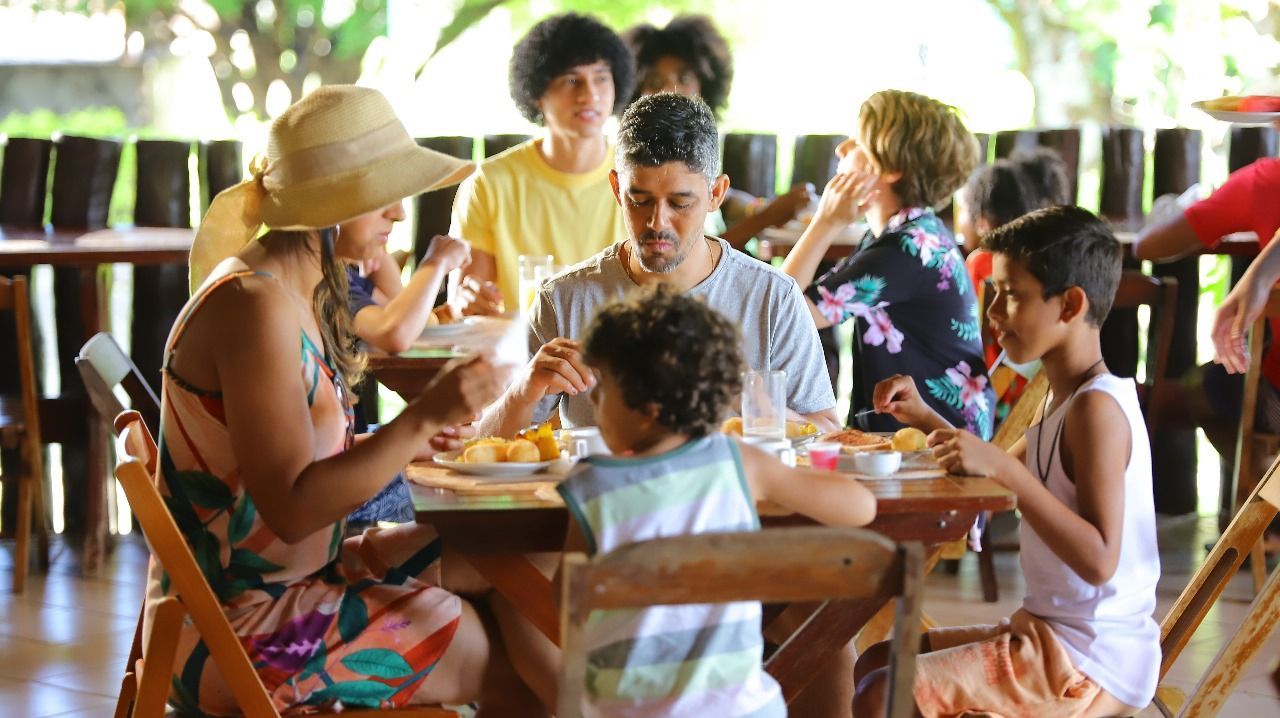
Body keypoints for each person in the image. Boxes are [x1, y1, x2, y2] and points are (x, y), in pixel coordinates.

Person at [153, 86, 548, 715]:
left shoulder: (286, 290)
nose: (397, 213)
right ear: (330, 206)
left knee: (517, 564)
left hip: (304, 580)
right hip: (237, 628)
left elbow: (286, 468)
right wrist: (423, 416)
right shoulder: (254, 307)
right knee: (501, 652)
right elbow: (290, 508)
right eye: (380, 196)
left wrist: (408, 440)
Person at [856, 206, 1159, 718]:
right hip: (1048, 633)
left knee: (880, 693)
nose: (992, 312)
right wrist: (926, 416)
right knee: (876, 662)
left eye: (1010, 295)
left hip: (1089, 662)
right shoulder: (1059, 397)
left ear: (1070, 305)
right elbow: (994, 467)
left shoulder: (1096, 410)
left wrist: (1006, 473)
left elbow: (1101, 558)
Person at [556, 284, 877, 717]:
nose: (592, 401)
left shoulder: (591, 485)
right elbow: (862, 509)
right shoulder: (738, 462)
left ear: (647, 407)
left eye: (601, 389)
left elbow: (567, 604)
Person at [477, 92, 840, 439]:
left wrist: (751, 403)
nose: (657, 223)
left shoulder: (771, 297)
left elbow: (828, 431)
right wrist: (524, 391)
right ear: (618, 189)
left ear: (716, 193)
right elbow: (481, 442)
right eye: (640, 200)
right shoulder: (565, 298)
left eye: (680, 203)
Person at [780, 89, 992, 437]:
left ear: (890, 168)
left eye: (857, 142)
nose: (841, 148)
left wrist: (826, 222)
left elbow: (781, 310)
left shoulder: (907, 250)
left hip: (938, 444)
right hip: (927, 434)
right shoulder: (908, 235)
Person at [449, 13, 635, 316]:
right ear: (537, 94)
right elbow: (468, 301)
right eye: (571, 80)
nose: (590, 94)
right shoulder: (490, 183)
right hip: (521, 354)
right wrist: (469, 299)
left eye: (601, 78)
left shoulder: (640, 180)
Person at [1133, 145, 1280, 465]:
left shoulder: (1265, 182)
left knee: (1201, 389)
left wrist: (1193, 203)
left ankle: (1266, 501)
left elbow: (1148, 246)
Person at [622, 15, 813, 250]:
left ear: (705, 85)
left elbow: (726, 198)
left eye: (684, 79)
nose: (670, 89)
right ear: (633, 92)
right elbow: (685, 256)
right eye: (654, 81)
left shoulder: (694, 149)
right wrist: (766, 218)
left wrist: (756, 207)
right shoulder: (633, 162)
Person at [956, 147, 1072, 423]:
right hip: (1036, 388)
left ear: (982, 222)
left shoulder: (981, 262)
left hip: (991, 390)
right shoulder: (1044, 258)